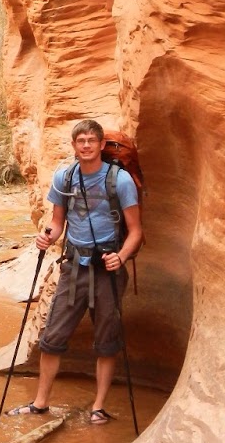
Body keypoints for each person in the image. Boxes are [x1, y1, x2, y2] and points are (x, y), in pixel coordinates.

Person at [25, 118, 142, 423]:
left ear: (102, 145)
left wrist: (122, 256)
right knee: (52, 336)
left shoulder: (121, 181)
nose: (87, 146)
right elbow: (57, 222)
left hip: (107, 268)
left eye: (92, 140)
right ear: (74, 146)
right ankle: (40, 403)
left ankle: (98, 407)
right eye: (81, 141)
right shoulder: (65, 178)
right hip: (74, 266)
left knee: (107, 340)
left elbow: (135, 231)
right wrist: (46, 235)